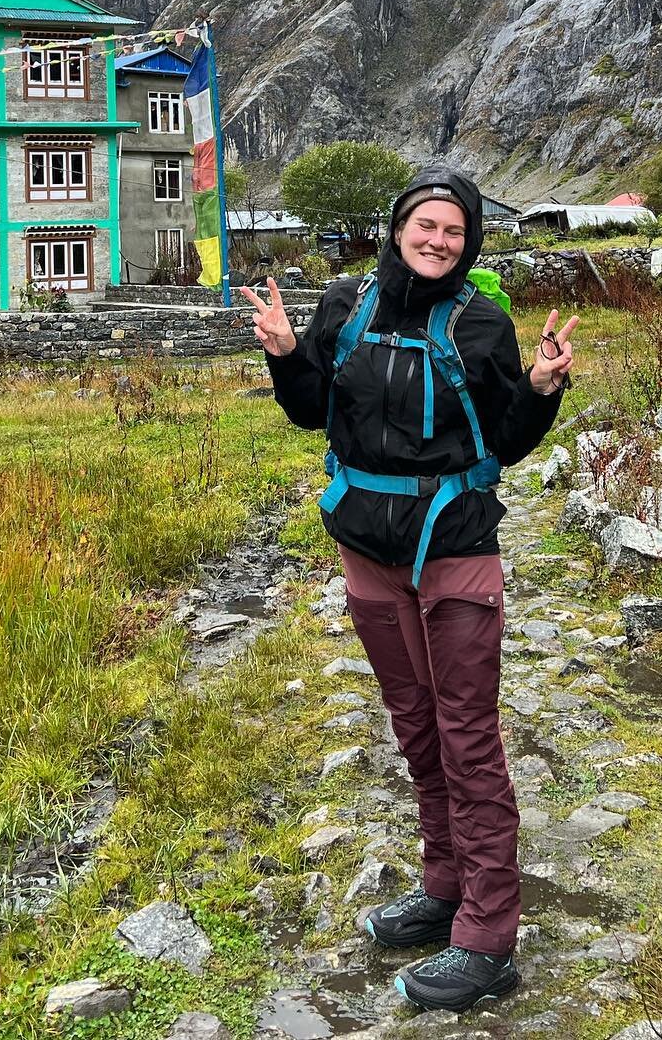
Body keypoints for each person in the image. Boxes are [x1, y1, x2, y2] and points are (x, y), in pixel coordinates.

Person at [243, 167, 576, 1012]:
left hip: (457, 546)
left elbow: (505, 437)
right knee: (417, 728)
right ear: (398, 229)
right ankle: (442, 886)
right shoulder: (346, 307)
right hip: (367, 552)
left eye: (455, 231)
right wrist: (286, 356)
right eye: (426, 225)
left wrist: (540, 391)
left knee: (467, 736)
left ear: (470, 244)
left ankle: (489, 938)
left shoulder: (482, 323)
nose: (438, 240)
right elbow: (313, 410)